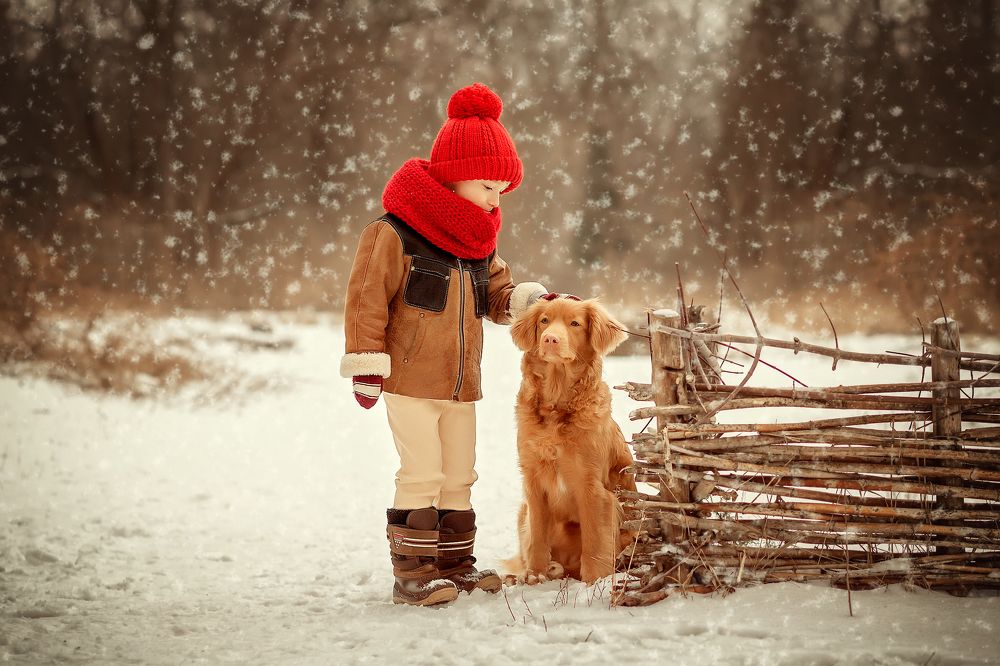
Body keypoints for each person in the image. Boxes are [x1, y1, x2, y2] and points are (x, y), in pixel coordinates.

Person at [340, 83, 547, 606]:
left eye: (501, 189)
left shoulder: (477, 242)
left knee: (459, 473)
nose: (495, 199)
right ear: (455, 175)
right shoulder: (395, 233)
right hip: (410, 378)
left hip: (461, 383)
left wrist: (534, 304)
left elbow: (498, 296)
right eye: (487, 185)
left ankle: (455, 566)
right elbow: (367, 299)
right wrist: (367, 364)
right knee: (422, 472)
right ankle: (413, 572)